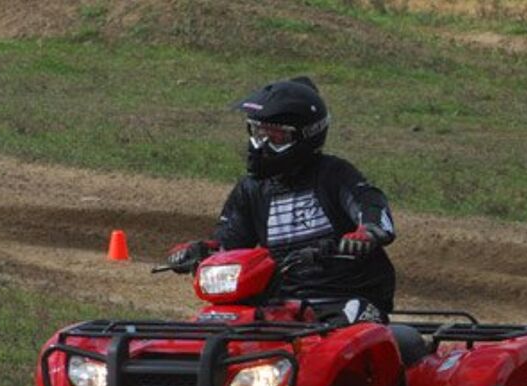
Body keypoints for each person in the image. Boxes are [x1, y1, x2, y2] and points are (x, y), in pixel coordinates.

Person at [167, 77, 396, 323]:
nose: (261, 146)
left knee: (343, 339)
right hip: (281, 303)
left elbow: (370, 205)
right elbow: (229, 245)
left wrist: (366, 233)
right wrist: (201, 251)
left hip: (347, 298)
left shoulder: (334, 175)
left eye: (276, 138)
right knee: (218, 328)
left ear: (307, 136)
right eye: (258, 133)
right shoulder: (251, 189)